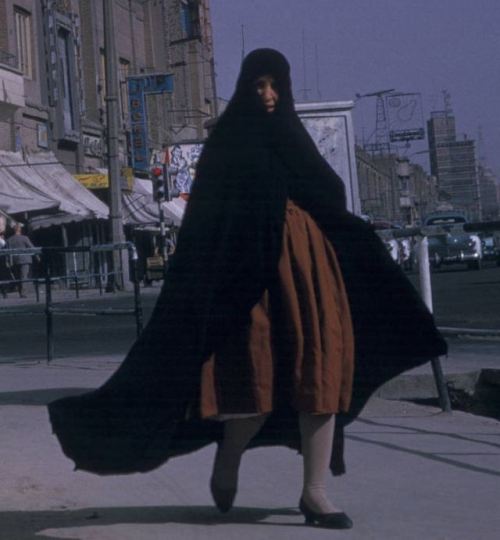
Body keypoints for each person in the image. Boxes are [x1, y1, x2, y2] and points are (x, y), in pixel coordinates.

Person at [48, 49, 446, 529]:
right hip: (247, 279)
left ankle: (315, 493)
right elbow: (206, 221)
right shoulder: (229, 142)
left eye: (275, 84)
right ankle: (229, 457)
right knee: (253, 378)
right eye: (258, 86)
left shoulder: (293, 135)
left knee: (320, 368)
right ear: (245, 89)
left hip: (308, 268)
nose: (269, 95)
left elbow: (330, 196)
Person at [6, 223, 36, 298]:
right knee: (24, 276)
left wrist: (8, 261)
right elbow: (31, 247)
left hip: (15, 260)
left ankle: (20, 291)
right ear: (20, 229)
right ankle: (23, 293)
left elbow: (7, 252)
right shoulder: (25, 238)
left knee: (17, 277)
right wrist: (37, 255)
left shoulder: (9, 240)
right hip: (25, 259)